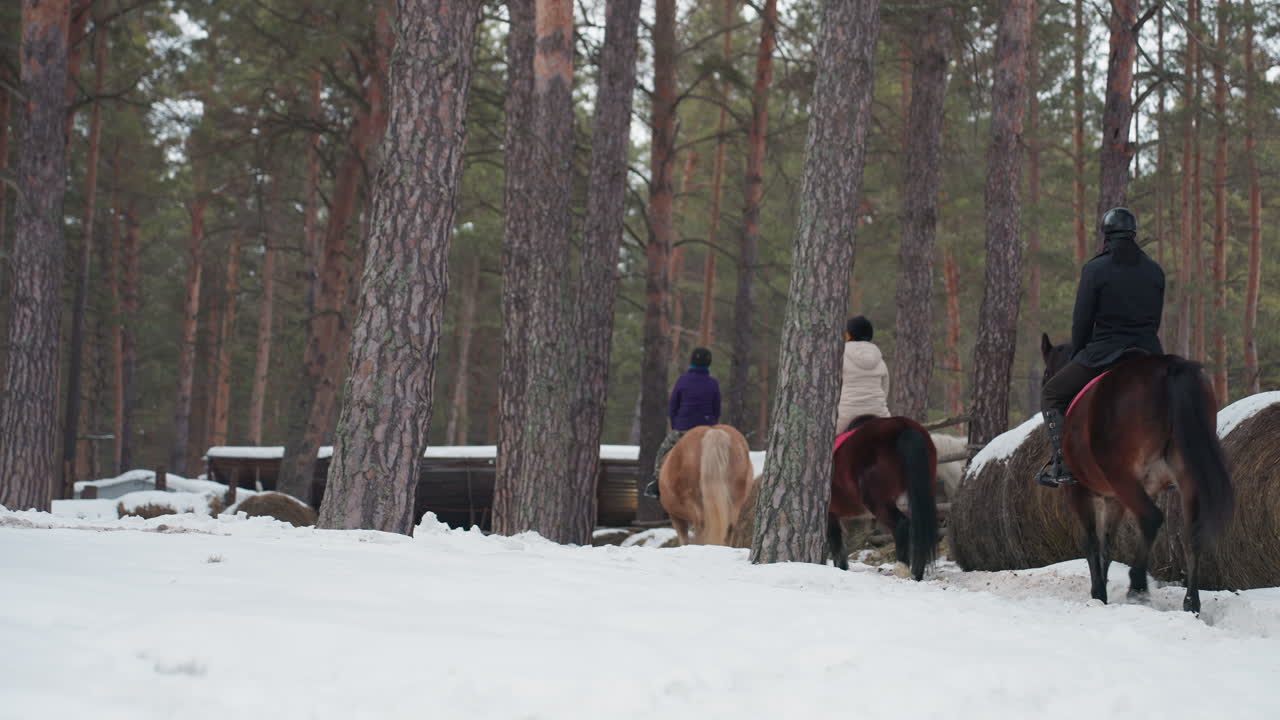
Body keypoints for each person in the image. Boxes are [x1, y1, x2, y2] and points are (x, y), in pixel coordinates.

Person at [1037, 207, 1165, 487]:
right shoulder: (1155, 271)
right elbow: (1154, 320)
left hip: (1105, 353)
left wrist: (1079, 351)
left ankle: (1064, 464)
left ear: (1106, 236)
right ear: (1133, 234)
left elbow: (1081, 321)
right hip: (1149, 353)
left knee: (1052, 394)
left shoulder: (1095, 269)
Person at [643, 347, 721, 499]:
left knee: (662, 452)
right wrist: (711, 426)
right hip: (705, 429)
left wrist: (676, 425)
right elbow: (716, 409)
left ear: (692, 361)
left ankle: (657, 482)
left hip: (683, 428)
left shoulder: (682, 380)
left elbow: (673, 406)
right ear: (708, 363)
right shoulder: (713, 383)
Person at [836, 315, 890, 435]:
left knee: (823, 444)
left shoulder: (839, 357)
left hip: (846, 416)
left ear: (848, 335)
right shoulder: (880, 361)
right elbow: (885, 390)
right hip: (880, 414)